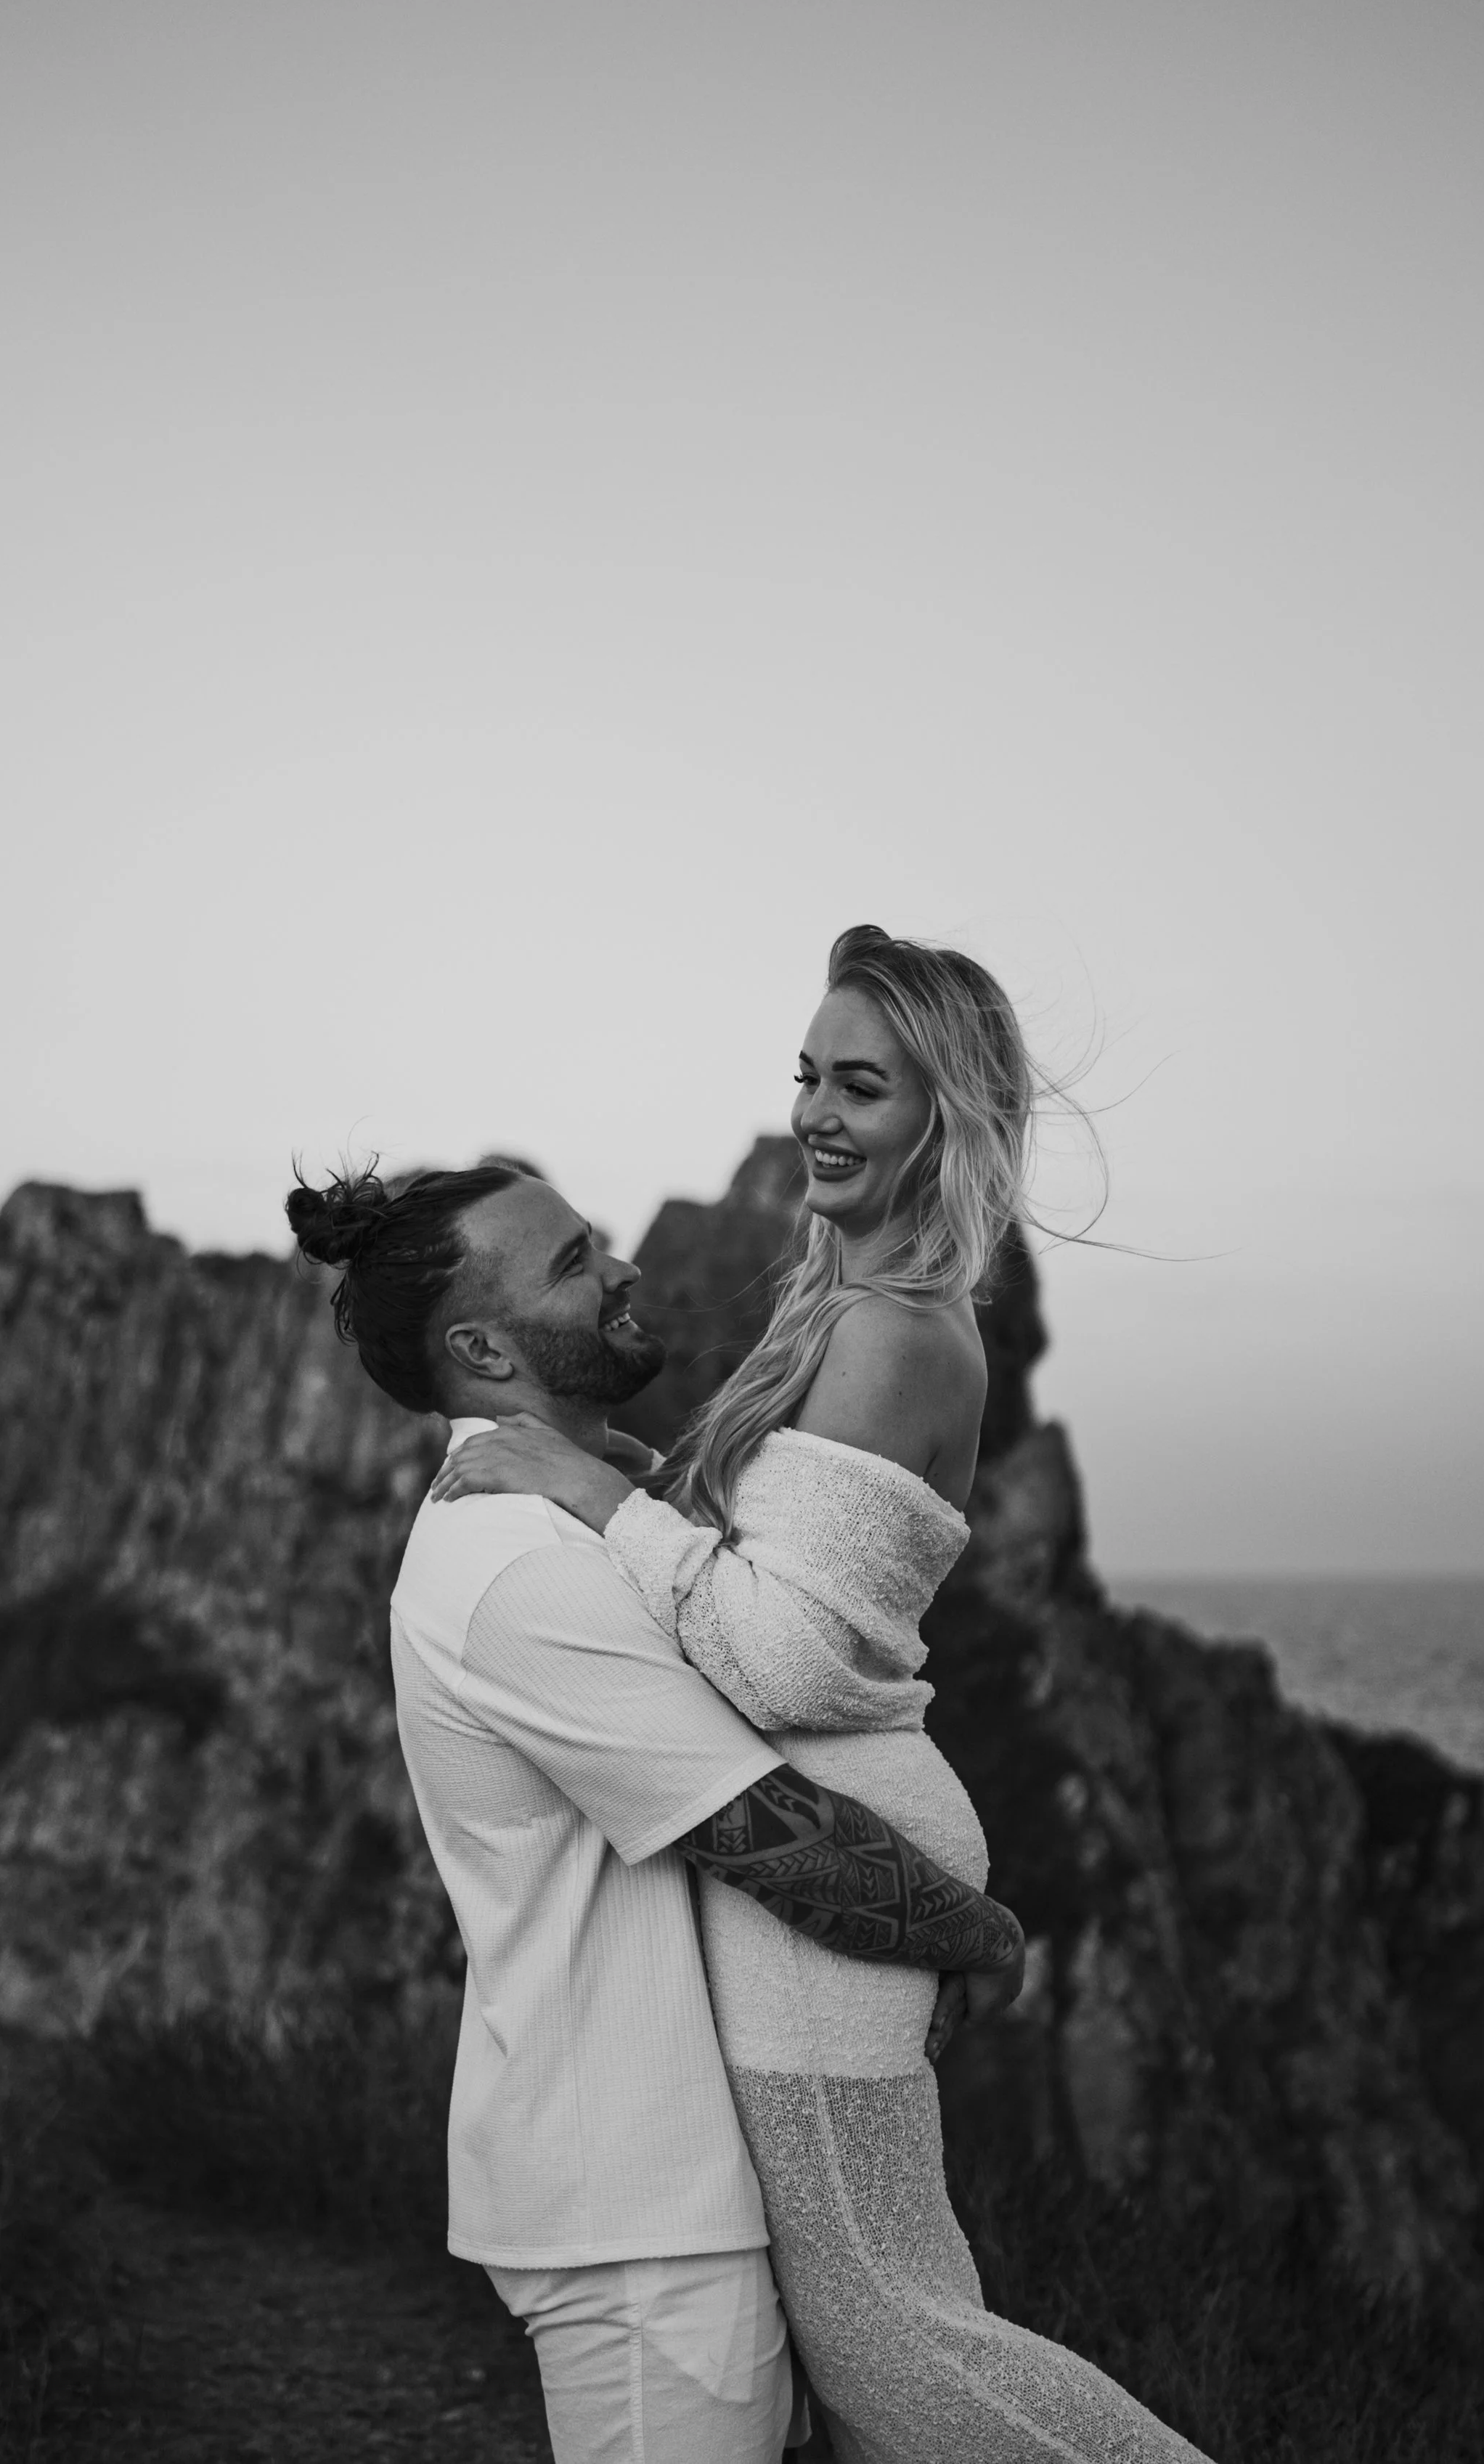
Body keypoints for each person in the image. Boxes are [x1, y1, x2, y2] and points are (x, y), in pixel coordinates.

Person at [431, 926, 1210, 2464]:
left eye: (860, 1085)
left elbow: (781, 1662)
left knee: (886, 2332)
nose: (814, 1114)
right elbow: (776, 1556)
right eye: (807, 1074)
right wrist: (632, 1478)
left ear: (944, 1120)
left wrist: (591, 1502)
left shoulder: (893, 1335)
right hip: (830, 1851)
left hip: (833, 1850)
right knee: (874, 2332)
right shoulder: (840, 1311)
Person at [285, 1151, 1028, 2464]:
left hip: (682, 2186)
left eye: (597, 1238)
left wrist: (639, 1487)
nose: (622, 1266)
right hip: (637, 2218)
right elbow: (775, 1842)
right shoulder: (514, 1567)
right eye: (573, 1263)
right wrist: (979, 1935)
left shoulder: (580, 1523)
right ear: (480, 1345)